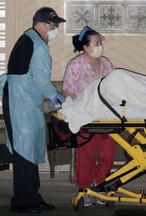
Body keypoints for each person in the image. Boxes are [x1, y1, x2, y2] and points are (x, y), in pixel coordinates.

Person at [1, 7, 66, 214]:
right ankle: (21, 202)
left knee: (29, 149)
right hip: (20, 103)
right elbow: (40, 78)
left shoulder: (31, 40)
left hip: (25, 101)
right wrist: (55, 94)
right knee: (24, 152)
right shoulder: (37, 45)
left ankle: (32, 197)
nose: (55, 29)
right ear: (40, 24)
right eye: (52, 24)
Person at [62, 26, 117, 207]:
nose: (100, 46)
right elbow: (68, 91)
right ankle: (85, 189)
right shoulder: (76, 65)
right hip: (85, 116)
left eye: (100, 43)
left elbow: (116, 87)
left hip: (106, 115)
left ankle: (99, 185)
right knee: (85, 154)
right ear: (86, 47)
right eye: (96, 43)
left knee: (108, 153)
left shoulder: (106, 63)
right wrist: (79, 108)